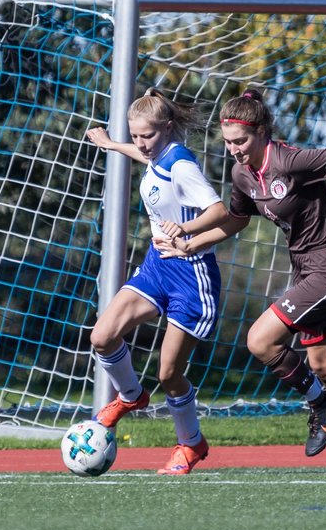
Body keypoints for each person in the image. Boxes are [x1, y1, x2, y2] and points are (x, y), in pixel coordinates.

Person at [156, 89, 326, 473]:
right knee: (325, 364)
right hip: (306, 269)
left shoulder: (289, 159)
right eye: (228, 142)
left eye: (241, 141)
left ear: (262, 131)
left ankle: (319, 403)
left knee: (260, 340)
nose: (234, 149)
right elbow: (236, 220)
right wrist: (190, 243)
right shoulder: (242, 174)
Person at [84, 88, 233, 475]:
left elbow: (219, 211)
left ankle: (191, 444)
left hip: (191, 275)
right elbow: (146, 159)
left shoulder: (182, 164)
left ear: (167, 128)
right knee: (102, 336)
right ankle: (131, 396)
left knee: (169, 375)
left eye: (147, 135)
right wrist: (113, 144)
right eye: (135, 135)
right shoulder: (156, 153)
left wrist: (184, 229)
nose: (141, 143)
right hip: (156, 266)